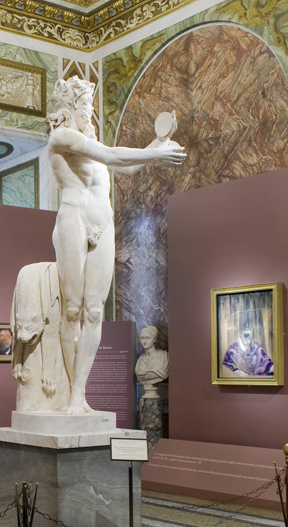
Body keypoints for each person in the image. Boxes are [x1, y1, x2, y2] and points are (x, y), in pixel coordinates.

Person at [46, 76, 185, 413]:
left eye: (90, 107)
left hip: (102, 222)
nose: (89, 112)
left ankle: (79, 395)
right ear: (69, 108)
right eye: (84, 106)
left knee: (94, 310)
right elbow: (112, 155)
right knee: (72, 309)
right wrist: (157, 152)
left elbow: (129, 166)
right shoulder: (61, 137)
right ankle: (67, 392)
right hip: (74, 219)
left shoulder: (91, 149)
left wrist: (158, 142)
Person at [134, 325, 168, 399]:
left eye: (148, 338)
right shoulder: (140, 360)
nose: (145, 341)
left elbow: (163, 374)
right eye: (142, 338)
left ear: (154, 339)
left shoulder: (163, 356)